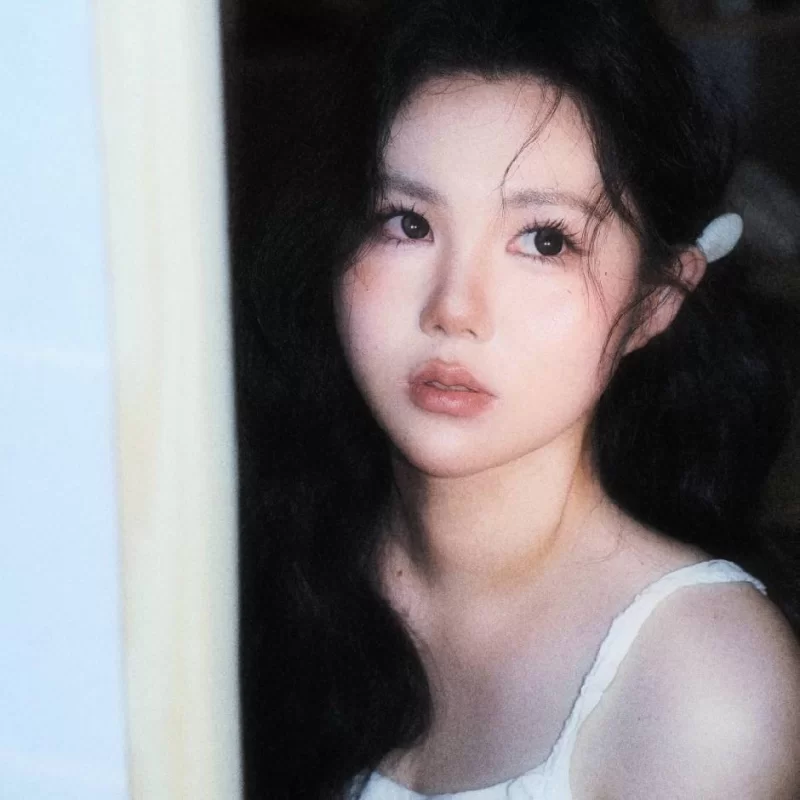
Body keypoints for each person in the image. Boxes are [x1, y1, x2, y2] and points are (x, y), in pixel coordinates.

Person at [232, 0, 800, 797]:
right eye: (406, 223)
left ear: (655, 301)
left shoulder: (703, 689)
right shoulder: (252, 562)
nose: (454, 309)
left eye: (545, 240)